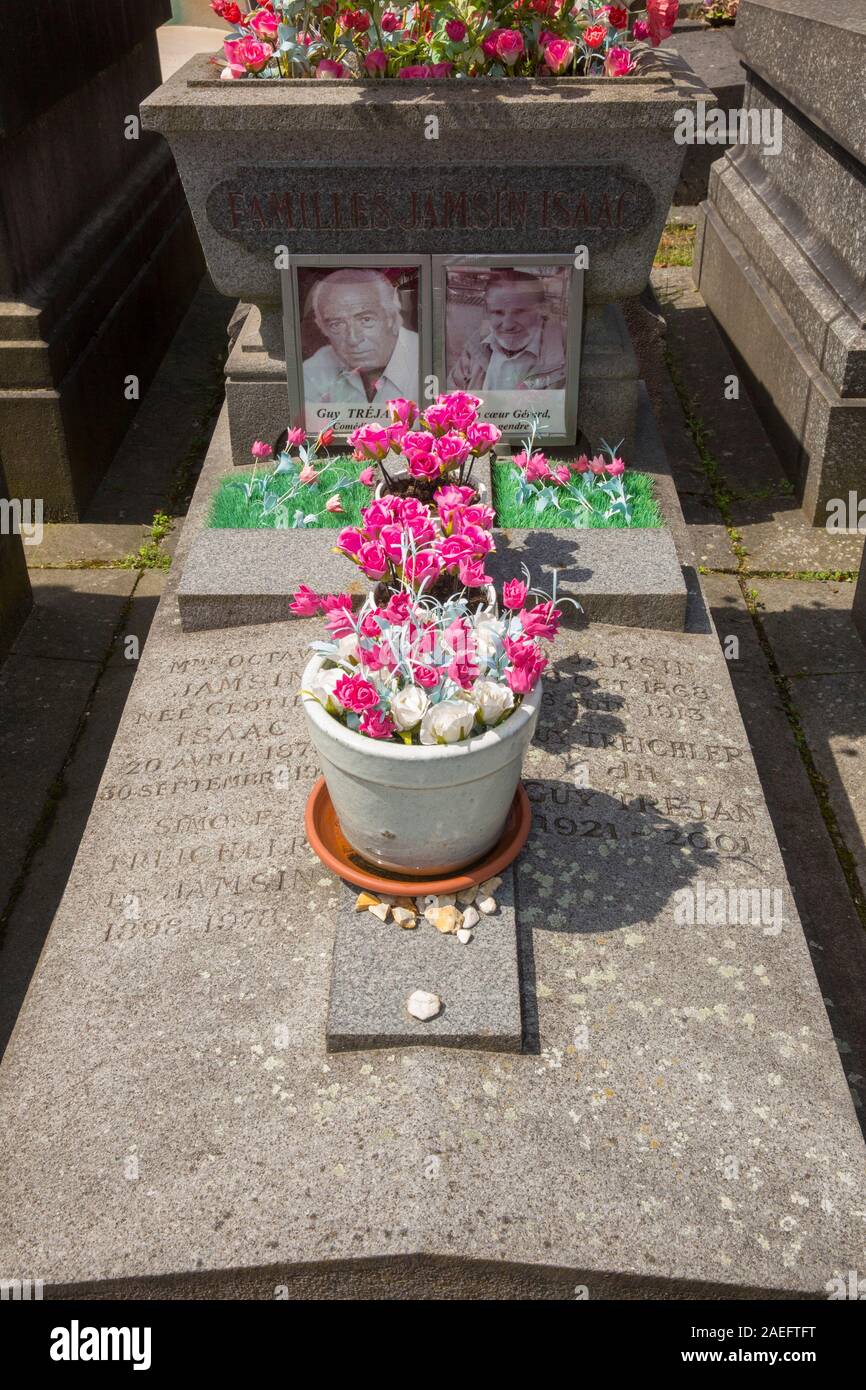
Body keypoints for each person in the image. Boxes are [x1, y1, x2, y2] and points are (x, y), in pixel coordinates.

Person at [302, 269, 418, 405]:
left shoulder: (423, 359)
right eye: (336, 324)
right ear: (322, 328)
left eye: (366, 320)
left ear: (390, 317)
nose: (353, 339)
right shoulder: (315, 369)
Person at [447, 269, 567, 393]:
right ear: (487, 313)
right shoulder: (477, 344)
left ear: (543, 310)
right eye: (498, 312)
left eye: (519, 312)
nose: (508, 325)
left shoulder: (567, 352)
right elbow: (451, 397)